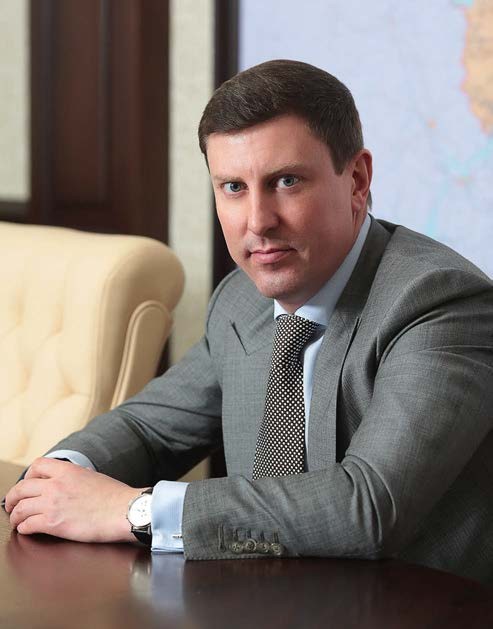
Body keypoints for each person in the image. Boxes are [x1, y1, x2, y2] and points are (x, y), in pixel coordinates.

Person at [4, 60, 493, 583]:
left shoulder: (439, 302)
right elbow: (149, 429)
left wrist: (135, 512)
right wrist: (59, 478)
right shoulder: (242, 299)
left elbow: (368, 507)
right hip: (261, 601)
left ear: (356, 180)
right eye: (233, 187)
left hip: (415, 607)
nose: (258, 221)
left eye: (286, 181)